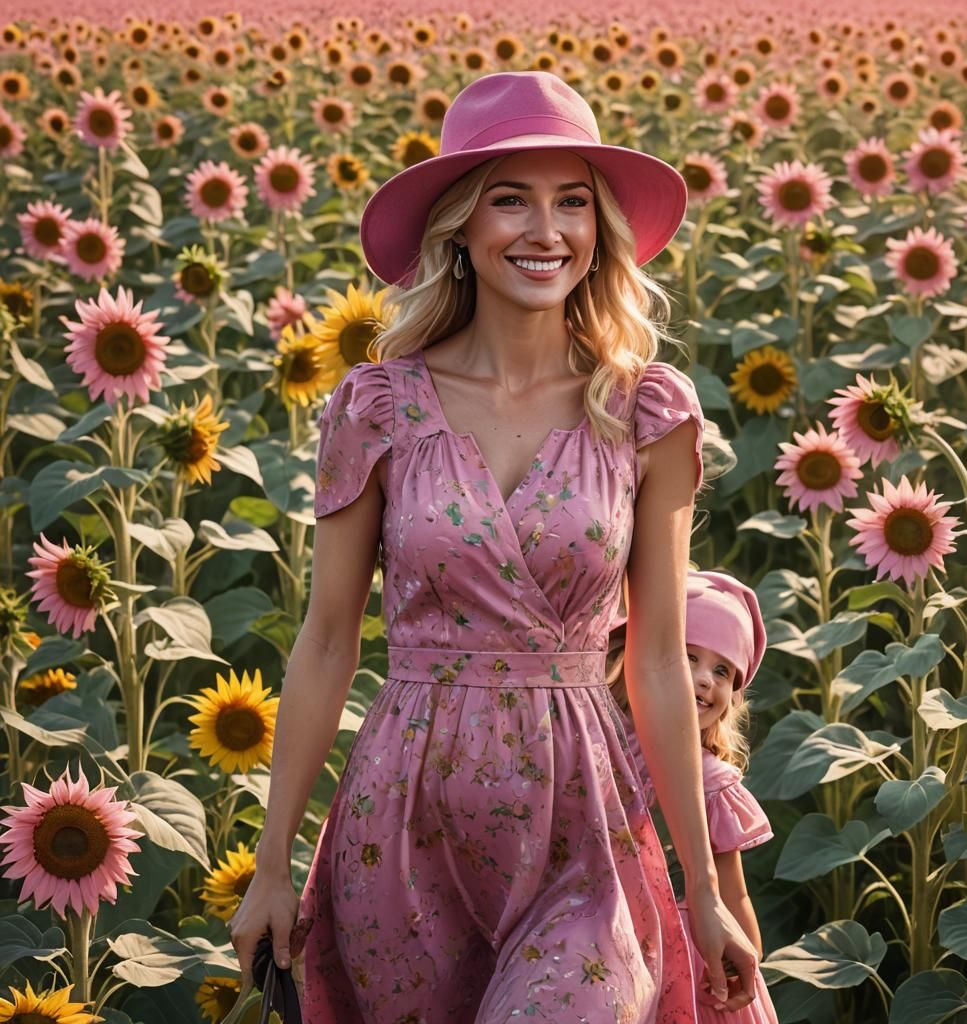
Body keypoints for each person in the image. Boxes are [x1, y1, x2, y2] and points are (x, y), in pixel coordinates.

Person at [226, 70, 761, 1022]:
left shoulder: (647, 411)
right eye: (510, 199)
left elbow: (658, 661)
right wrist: (274, 870)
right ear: (462, 228)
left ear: (600, 230)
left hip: (582, 827)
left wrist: (706, 890)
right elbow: (327, 640)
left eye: (572, 202)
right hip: (403, 822)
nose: (544, 230)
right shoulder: (378, 405)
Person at [606, 570, 779, 1023]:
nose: (705, 680)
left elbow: (733, 895)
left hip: (688, 960)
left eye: (722, 671)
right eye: (688, 658)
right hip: (600, 939)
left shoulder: (710, 781)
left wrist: (745, 965)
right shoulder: (595, 745)